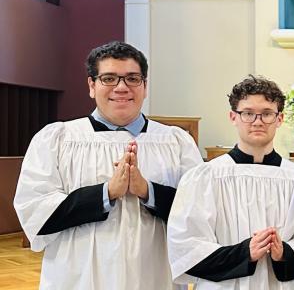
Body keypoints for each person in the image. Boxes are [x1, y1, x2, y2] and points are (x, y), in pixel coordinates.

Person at [14, 41, 203, 289]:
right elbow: (34, 209)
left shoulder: (176, 142)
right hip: (79, 276)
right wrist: (106, 193)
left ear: (145, 86)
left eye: (132, 79)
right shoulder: (58, 139)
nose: (122, 87)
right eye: (109, 78)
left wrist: (147, 191)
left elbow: (198, 211)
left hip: (153, 274)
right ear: (92, 85)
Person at [166, 76, 294, 289]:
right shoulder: (205, 177)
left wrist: (283, 253)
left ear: (279, 119)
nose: (257, 121)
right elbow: (186, 247)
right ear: (233, 117)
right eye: (248, 113)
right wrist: (244, 253)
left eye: (267, 113)